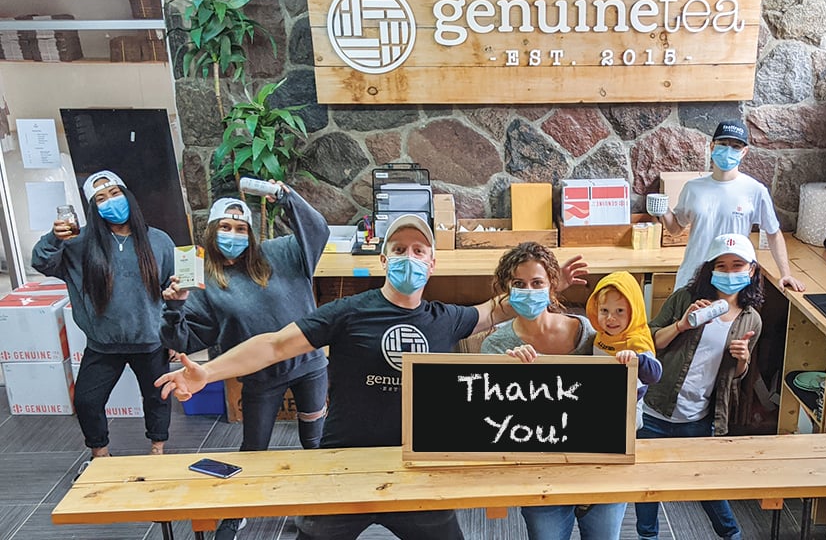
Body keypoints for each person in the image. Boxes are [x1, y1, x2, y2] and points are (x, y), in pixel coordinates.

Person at [156, 214, 588, 540]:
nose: (409, 258)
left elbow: (503, 307)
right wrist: (207, 372)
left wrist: (552, 287)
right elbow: (274, 345)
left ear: (432, 263)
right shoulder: (348, 312)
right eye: (399, 249)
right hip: (345, 464)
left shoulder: (447, 318)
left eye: (418, 250)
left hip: (417, 466)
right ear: (384, 259)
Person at [160, 184, 329, 540]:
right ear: (212, 230)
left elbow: (318, 230)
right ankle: (237, 514)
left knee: (315, 441)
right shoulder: (205, 282)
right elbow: (184, 341)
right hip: (259, 377)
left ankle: (322, 509)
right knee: (253, 448)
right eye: (225, 227)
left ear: (251, 233)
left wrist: (286, 198)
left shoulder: (282, 252)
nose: (233, 235)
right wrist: (175, 307)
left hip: (309, 365)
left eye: (241, 228)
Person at [480, 242, 628, 540]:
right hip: (539, 474)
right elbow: (491, 421)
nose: (528, 291)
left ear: (552, 286)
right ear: (506, 289)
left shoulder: (588, 332)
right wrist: (509, 377)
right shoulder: (495, 347)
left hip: (598, 467)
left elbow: (619, 394)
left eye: (537, 283)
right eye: (518, 284)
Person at [32, 170, 175, 466]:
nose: (110, 202)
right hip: (103, 344)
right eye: (100, 198)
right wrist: (54, 238)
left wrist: (175, 334)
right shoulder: (78, 243)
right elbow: (41, 261)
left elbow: (175, 290)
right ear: (92, 208)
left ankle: (158, 450)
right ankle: (100, 455)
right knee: (87, 400)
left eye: (114, 193)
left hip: (150, 341)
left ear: (127, 195)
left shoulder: (159, 241)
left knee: (157, 398)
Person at [635, 233, 763, 540]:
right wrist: (682, 324)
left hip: (699, 418)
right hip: (655, 409)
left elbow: (735, 377)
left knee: (706, 484)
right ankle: (647, 536)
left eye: (737, 265)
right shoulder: (685, 299)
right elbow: (650, 342)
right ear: (710, 269)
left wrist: (743, 360)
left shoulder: (752, 320)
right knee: (646, 484)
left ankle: (731, 534)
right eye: (722, 265)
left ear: (751, 269)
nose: (729, 273)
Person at [658, 119, 805, 293]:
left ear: (744, 152)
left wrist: (785, 274)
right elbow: (675, 229)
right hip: (693, 278)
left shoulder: (755, 190)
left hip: (732, 281)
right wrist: (663, 210)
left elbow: (773, 233)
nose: (728, 150)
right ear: (712, 146)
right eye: (723, 144)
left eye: (735, 146)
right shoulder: (692, 188)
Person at [586, 270, 662, 430]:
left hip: (628, 408)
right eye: (604, 311)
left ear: (633, 312)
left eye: (620, 311)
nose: (610, 318)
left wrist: (636, 358)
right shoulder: (601, 335)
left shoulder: (637, 339)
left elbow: (655, 374)